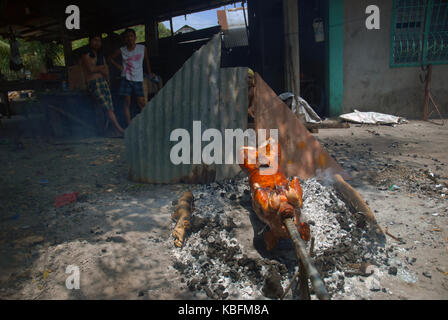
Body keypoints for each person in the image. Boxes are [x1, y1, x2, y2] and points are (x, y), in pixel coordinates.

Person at [81, 34, 124, 137]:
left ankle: (113, 131)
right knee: (107, 107)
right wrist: (101, 68)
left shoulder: (101, 56)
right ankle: (120, 129)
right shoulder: (86, 54)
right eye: (94, 40)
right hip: (94, 83)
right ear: (90, 41)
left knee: (109, 108)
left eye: (99, 41)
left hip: (104, 82)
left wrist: (108, 80)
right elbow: (91, 69)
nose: (97, 43)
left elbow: (106, 70)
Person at [109, 28, 154, 125]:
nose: (129, 39)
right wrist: (120, 67)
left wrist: (150, 73)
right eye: (127, 37)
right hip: (126, 78)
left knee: (141, 102)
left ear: (135, 37)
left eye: (131, 36)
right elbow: (110, 59)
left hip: (138, 78)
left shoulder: (142, 48)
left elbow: (146, 61)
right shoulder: (122, 50)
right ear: (124, 39)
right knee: (127, 103)